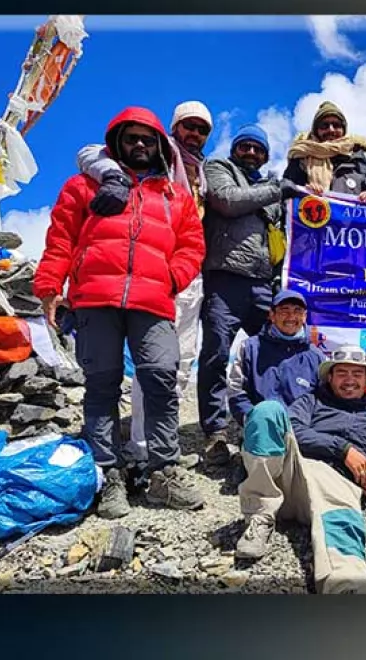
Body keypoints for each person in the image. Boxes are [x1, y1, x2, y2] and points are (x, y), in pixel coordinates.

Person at [34, 107, 207, 518]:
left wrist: (171, 277)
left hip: (153, 299)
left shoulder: (176, 196)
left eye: (148, 139)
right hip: (95, 298)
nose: (140, 145)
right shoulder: (83, 186)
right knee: (102, 385)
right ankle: (109, 474)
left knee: (162, 375)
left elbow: (192, 245)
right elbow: (60, 239)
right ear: (117, 142)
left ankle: (163, 470)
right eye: (132, 138)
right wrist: (49, 289)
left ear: (160, 146)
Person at [78, 100, 214, 470]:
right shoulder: (154, 149)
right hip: (136, 278)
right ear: (174, 127)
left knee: (174, 365)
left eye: (202, 129)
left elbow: (194, 235)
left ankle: (158, 454)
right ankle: (137, 449)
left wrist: (175, 276)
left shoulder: (202, 170)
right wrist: (113, 176)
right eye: (188, 126)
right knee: (140, 369)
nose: (194, 134)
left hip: (178, 275)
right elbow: (89, 152)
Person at [233, 346, 366, 593]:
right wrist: (342, 449)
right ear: (330, 377)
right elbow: (294, 428)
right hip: (291, 477)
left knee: (343, 526)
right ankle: (259, 514)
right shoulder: (311, 401)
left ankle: (345, 589)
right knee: (266, 410)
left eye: (357, 374)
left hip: (334, 485)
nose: (349, 380)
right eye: (342, 373)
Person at [200, 124, 310, 465]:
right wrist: (277, 190)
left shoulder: (269, 186)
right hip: (225, 279)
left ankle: (271, 418)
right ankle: (216, 431)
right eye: (245, 146)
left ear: (265, 156)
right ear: (234, 149)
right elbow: (227, 201)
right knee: (216, 353)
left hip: (264, 284)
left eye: (257, 149)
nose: (250, 153)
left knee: (275, 348)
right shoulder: (218, 169)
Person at [226, 289, 327, 448]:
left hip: (301, 434)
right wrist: (253, 419)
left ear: (304, 316)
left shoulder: (317, 357)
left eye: (297, 311)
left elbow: (324, 401)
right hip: (259, 429)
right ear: (272, 315)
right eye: (284, 311)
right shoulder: (250, 347)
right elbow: (235, 392)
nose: (291, 317)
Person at [283, 101, 366, 201]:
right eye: (324, 125)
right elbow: (286, 191)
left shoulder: (357, 158)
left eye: (336, 125)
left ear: (343, 129)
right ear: (316, 131)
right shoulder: (302, 156)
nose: (331, 130)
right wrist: (304, 191)